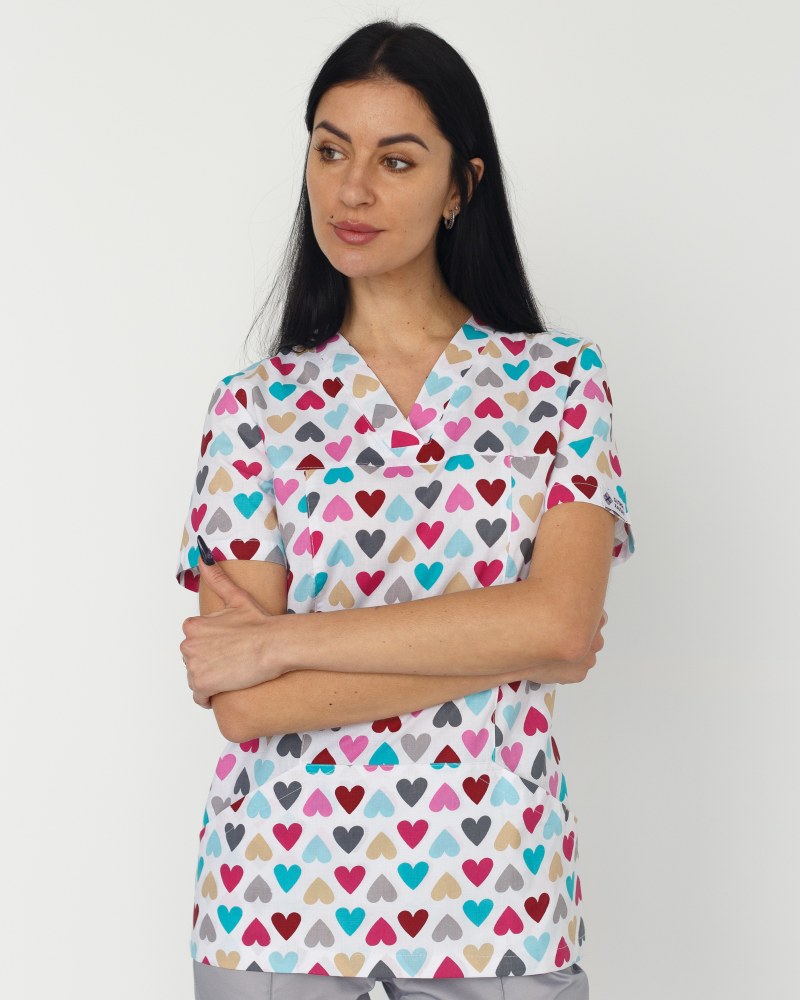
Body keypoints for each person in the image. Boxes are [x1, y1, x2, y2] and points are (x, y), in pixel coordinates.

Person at [176, 19, 635, 1000]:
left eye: (395, 160)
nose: (351, 191)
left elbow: (561, 627)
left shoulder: (558, 382)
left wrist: (285, 640)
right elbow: (245, 704)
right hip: (275, 896)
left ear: (460, 185)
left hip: (499, 894)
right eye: (330, 150)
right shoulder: (253, 407)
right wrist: (503, 638)